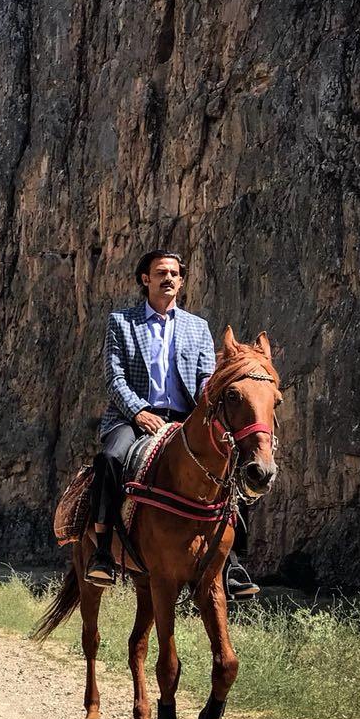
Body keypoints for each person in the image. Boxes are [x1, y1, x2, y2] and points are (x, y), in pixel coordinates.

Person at [84, 249, 260, 598]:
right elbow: (115, 378)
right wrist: (137, 411)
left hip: (184, 420)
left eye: (174, 273)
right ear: (144, 279)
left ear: (181, 281)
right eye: (160, 272)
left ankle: (233, 561)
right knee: (110, 460)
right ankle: (103, 551)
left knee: (234, 462)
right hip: (133, 418)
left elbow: (204, 381)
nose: (168, 278)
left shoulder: (198, 327)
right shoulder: (121, 322)